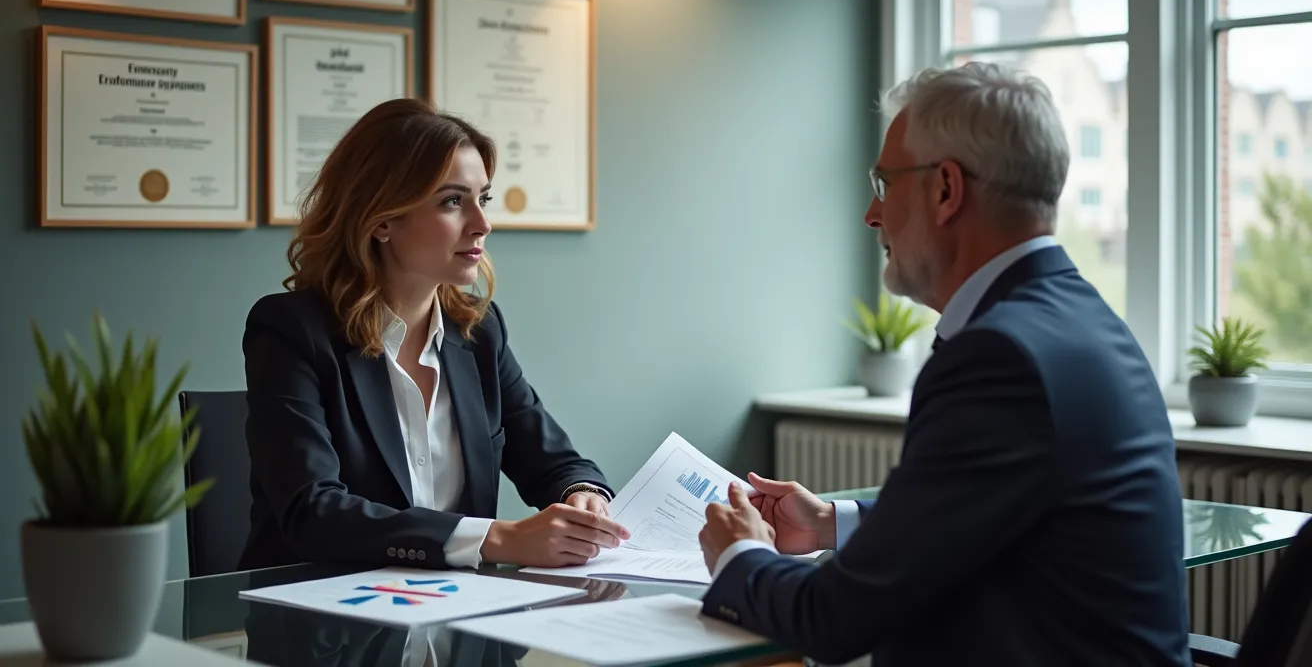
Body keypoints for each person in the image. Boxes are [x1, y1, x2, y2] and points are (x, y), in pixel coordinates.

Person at [697, 63, 1191, 665]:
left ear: (945, 190)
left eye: (884, 184)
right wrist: (832, 523)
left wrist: (740, 555)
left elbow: (832, 621)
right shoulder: (1077, 319)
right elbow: (990, 515)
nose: (871, 214)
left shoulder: (1000, 358)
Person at [241, 98, 629, 573]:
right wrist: (495, 539)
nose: (482, 224)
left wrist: (581, 494)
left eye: (483, 199)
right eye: (452, 201)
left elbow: (554, 460)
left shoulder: (479, 333)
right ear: (382, 218)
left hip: (456, 605)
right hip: (317, 607)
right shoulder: (291, 330)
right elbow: (313, 512)